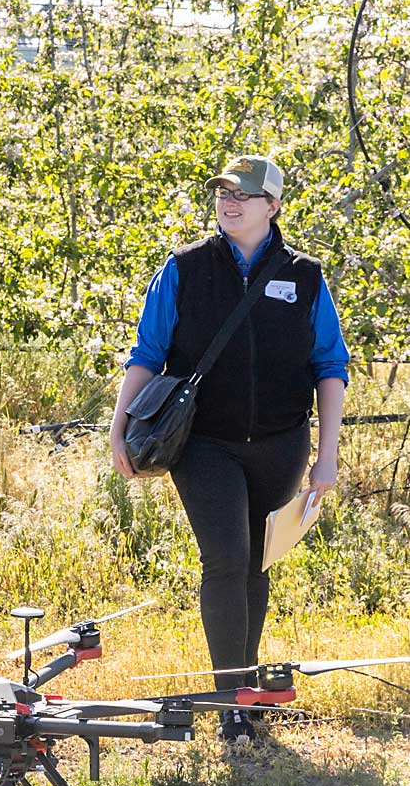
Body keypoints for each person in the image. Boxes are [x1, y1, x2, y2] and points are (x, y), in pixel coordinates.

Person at [109, 154, 349, 745]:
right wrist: (119, 429)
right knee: (225, 558)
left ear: (273, 205)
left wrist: (328, 455)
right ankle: (231, 703)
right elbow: (148, 352)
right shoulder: (186, 268)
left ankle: (245, 696)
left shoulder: (306, 275)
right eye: (222, 192)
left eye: (243, 194)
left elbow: (330, 365)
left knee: (256, 563)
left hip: (282, 444)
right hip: (205, 444)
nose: (229, 202)